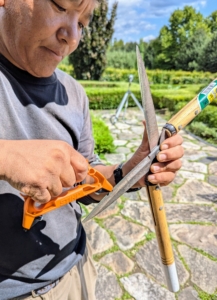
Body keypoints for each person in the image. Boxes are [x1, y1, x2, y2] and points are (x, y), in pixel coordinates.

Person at [0, 0, 184, 299]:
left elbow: (87, 178)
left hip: (77, 268)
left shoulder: (74, 93)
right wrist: (6, 157)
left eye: (83, 24)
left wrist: (130, 171)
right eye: (60, 6)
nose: (72, 37)